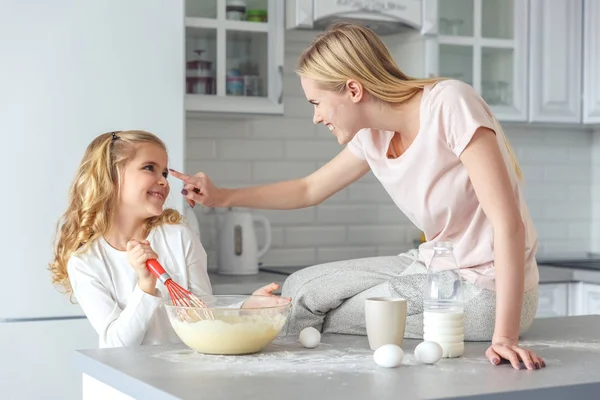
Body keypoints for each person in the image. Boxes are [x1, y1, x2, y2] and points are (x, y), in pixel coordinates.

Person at [169, 22, 545, 371]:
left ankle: (251, 354)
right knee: (300, 287)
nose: (315, 117)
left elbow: (507, 222)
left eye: (317, 103)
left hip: (483, 291)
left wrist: (505, 336)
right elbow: (309, 189)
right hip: (434, 268)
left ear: (353, 89)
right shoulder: (372, 135)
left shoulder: (449, 104)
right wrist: (220, 197)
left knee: (305, 309)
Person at [49, 130, 280, 348]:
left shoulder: (179, 237)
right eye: (150, 168)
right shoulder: (85, 262)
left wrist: (246, 307)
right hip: (124, 382)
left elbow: (205, 315)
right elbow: (116, 344)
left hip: (181, 378)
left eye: (165, 173)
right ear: (111, 177)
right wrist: (145, 286)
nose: (164, 181)